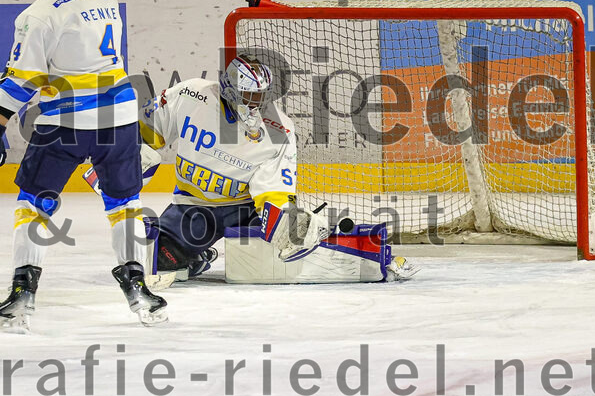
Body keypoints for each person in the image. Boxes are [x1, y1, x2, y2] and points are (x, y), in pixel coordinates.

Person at [0, 0, 166, 332]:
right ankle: (137, 286)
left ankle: (23, 291)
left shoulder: (38, 14)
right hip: (119, 117)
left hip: (66, 123)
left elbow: (23, 81)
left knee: (34, 203)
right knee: (123, 203)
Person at [85, 55, 417, 285]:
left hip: (244, 211)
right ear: (228, 87)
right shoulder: (189, 95)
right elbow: (144, 133)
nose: (255, 101)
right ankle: (194, 257)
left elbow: (273, 195)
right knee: (151, 263)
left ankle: (366, 253)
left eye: (261, 94)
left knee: (289, 241)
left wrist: (284, 224)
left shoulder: (279, 131)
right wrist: (113, 167)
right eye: (248, 93)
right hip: (191, 209)